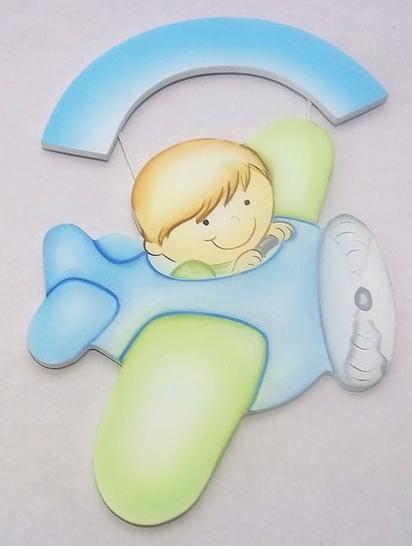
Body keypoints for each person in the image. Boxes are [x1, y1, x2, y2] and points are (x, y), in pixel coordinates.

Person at [131, 138, 293, 279]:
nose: (236, 221)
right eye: (206, 222)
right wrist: (237, 271)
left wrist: (266, 235)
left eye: (246, 202)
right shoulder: (186, 269)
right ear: (155, 247)